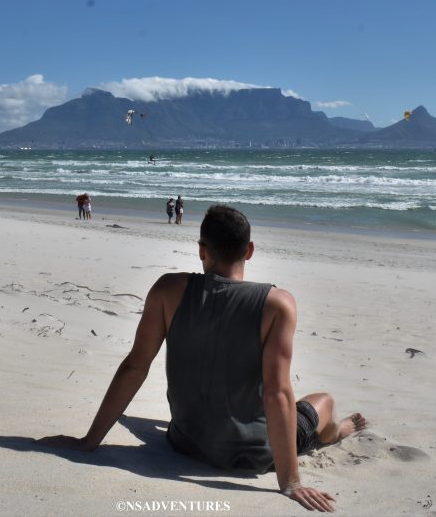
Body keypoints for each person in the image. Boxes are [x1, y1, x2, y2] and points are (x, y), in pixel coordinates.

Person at [39, 205, 364, 512]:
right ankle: (337, 431)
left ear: (202, 250)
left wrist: (89, 441)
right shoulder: (277, 303)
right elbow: (278, 393)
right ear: (249, 251)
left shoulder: (168, 289)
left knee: (137, 417)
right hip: (255, 456)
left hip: (186, 442)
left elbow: (135, 366)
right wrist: (290, 483)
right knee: (324, 401)